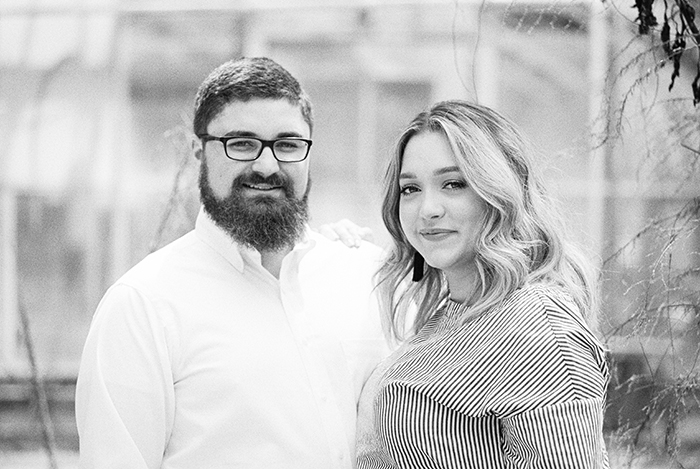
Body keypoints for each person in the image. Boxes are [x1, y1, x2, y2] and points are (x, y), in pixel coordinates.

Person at [75, 57, 388, 468]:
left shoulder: (366, 277)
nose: (266, 165)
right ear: (197, 152)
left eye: (288, 145)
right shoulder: (142, 306)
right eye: (241, 143)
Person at [356, 100, 610, 468]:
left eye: (453, 184)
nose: (428, 208)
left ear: (499, 192)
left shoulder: (534, 322)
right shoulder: (454, 312)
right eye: (410, 189)